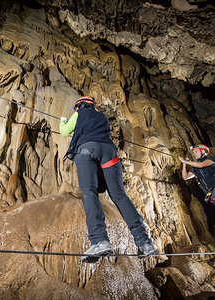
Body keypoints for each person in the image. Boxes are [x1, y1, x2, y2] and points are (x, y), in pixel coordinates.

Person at [60, 96, 158, 263]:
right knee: (119, 196)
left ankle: (99, 240)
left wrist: (63, 120)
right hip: (109, 152)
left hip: (86, 150)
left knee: (89, 192)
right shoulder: (101, 116)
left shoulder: (79, 114)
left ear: (79, 106)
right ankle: (144, 242)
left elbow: (64, 131)